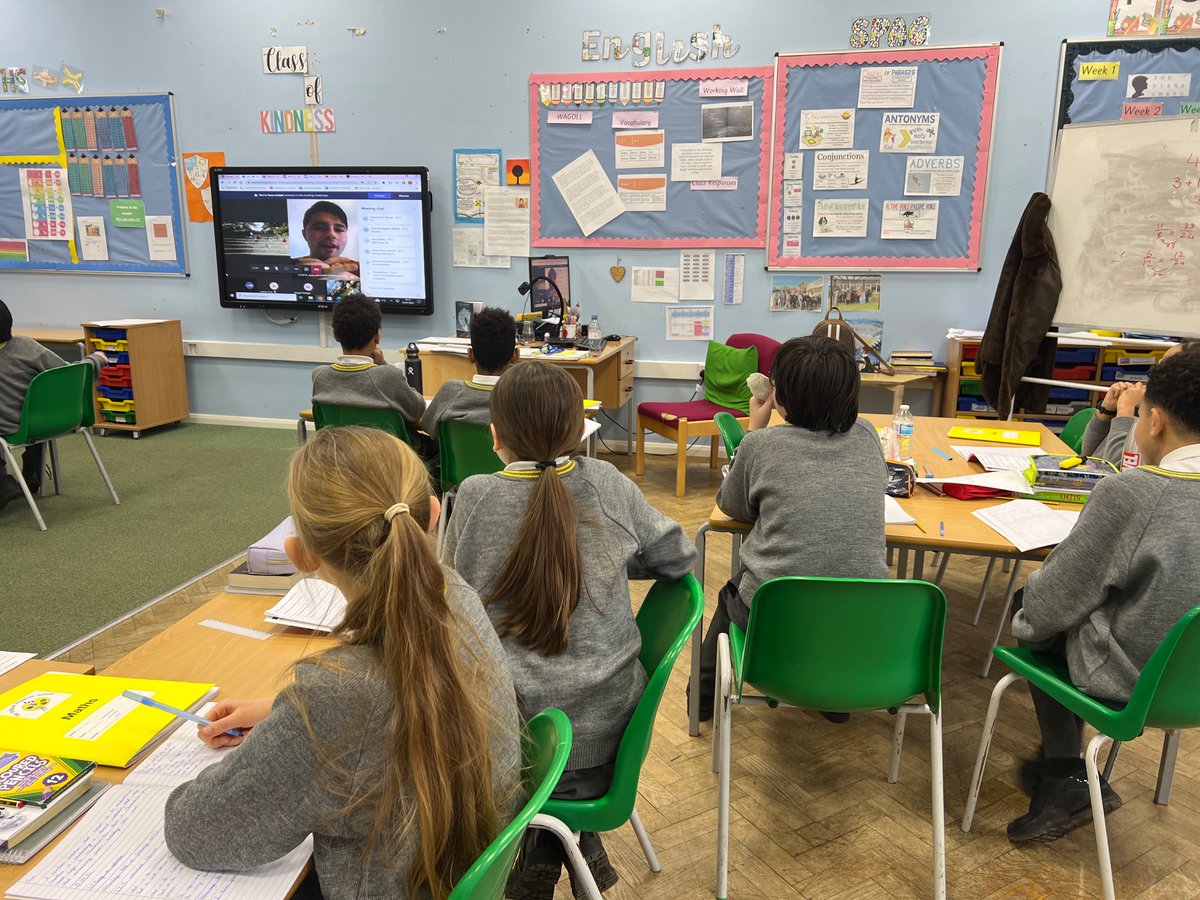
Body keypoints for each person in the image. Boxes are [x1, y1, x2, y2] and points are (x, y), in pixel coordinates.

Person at [164, 426, 522, 898]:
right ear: (433, 515)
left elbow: (197, 831)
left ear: (301, 555)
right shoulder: (456, 596)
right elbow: (397, 697)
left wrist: (300, 723)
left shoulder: (334, 694)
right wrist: (285, 713)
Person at [441, 362, 696, 899]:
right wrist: (605, 564)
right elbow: (678, 557)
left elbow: (447, 611)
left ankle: (547, 846)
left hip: (512, 750)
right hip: (609, 740)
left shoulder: (475, 497)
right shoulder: (605, 482)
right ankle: (569, 845)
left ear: (495, 435)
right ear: (578, 430)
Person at [1007, 350, 1200, 843]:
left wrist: (1026, 624)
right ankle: (1066, 774)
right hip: (1190, 682)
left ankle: (1063, 775)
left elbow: (1050, 605)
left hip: (1133, 680)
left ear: (1154, 421)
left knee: (1034, 607)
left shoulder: (1138, 493)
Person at [695, 335, 888, 721]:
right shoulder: (867, 435)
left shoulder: (762, 445)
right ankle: (833, 703)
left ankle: (699, 702)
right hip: (863, 616)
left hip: (776, 615)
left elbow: (731, 507)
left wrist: (753, 428)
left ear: (779, 395)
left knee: (732, 595)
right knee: (829, 598)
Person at [0, 299, 109, 511]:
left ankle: (4, 484)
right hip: (55, 421)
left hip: (13, 427)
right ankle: (32, 475)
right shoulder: (26, 346)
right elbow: (68, 373)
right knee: (29, 406)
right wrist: (95, 359)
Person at [311, 292, 436, 459]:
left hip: (342, 456)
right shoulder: (387, 375)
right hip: (394, 458)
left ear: (335, 334)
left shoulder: (320, 376)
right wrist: (382, 364)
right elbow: (417, 410)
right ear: (377, 335)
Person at [1082, 341, 1193, 466]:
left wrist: (1126, 413)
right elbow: (1088, 456)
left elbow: (1119, 473)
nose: (1156, 370)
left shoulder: (1161, 419)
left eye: (1164, 365)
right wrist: (1106, 412)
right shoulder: (1148, 404)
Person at [422, 307, 519, 434]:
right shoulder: (524, 397)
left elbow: (427, 426)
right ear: (515, 355)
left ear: (470, 355)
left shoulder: (450, 391)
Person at [293, 200, 359, 282]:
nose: (331, 234)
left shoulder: (360, 273)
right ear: (304, 234)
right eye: (320, 228)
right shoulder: (290, 269)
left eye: (339, 229)